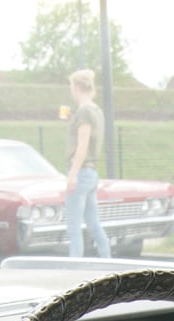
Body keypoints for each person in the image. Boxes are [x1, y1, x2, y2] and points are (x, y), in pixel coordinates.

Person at [64, 68, 111, 258]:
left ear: (76, 87)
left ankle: (74, 267)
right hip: (92, 173)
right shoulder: (96, 111)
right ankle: (106, 259)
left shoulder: (84, 112)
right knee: (93, 222)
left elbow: (82, 146)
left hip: (81, 172)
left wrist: (72, 174)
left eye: (71, 87)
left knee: (73, 226)